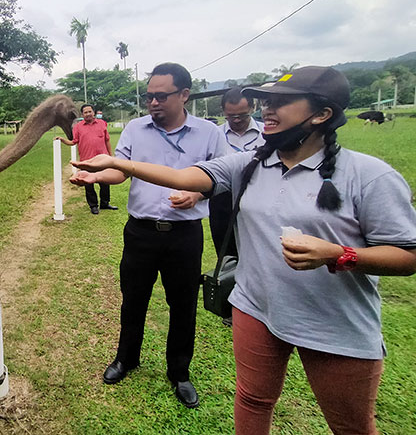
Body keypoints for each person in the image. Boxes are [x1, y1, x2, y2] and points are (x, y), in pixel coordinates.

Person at [71, 66, 416, 434]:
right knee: (252, 402)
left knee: (350, 426)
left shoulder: (369, 176)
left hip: (333, 324)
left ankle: (179, 371)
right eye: (265, 100)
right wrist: (114, 162)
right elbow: (188, 176)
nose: (265, 109)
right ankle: (128, 357)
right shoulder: (250, 164)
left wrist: (339, 255)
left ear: (322, 114)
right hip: (256, 310)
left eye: (280, 102)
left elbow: (407, 255)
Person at [70, 62, 228, 408]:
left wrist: (198, 194)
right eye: (149, 97)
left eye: (161, 96)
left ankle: (179, 373)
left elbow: (224, 179)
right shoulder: (135, 130)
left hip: (185, 236)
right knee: (134, 298)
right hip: (140, 232)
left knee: (183, 305)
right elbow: (120, 172)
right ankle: (126, 359)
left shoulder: (210, 134)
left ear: (184, 95)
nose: (153, 103)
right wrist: (96, 178)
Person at [210, 87, 265, 327]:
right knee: (226, 250)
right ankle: (231, 305)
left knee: (258, 249)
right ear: (223, 111)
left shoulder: (267, 133)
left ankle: (259, 303)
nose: (236, 120)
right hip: (222, 200)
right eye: (231, 115)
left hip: (258, 198)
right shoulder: (215, 135)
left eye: (242, 115)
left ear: (252, 109)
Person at [56, 104, 117, 214]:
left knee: (105, 182)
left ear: (94, 112)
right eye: (85, 112)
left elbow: (107, 140)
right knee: (88, 184)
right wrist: (62, 140)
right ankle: (93, 206)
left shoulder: (102, 124)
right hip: (86, 160)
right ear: (82, 114)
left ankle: (105, 203)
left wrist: (110, 156)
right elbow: (73, 142)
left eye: (90, 111)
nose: (88, 114)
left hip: (102, 159)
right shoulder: (78, 127)